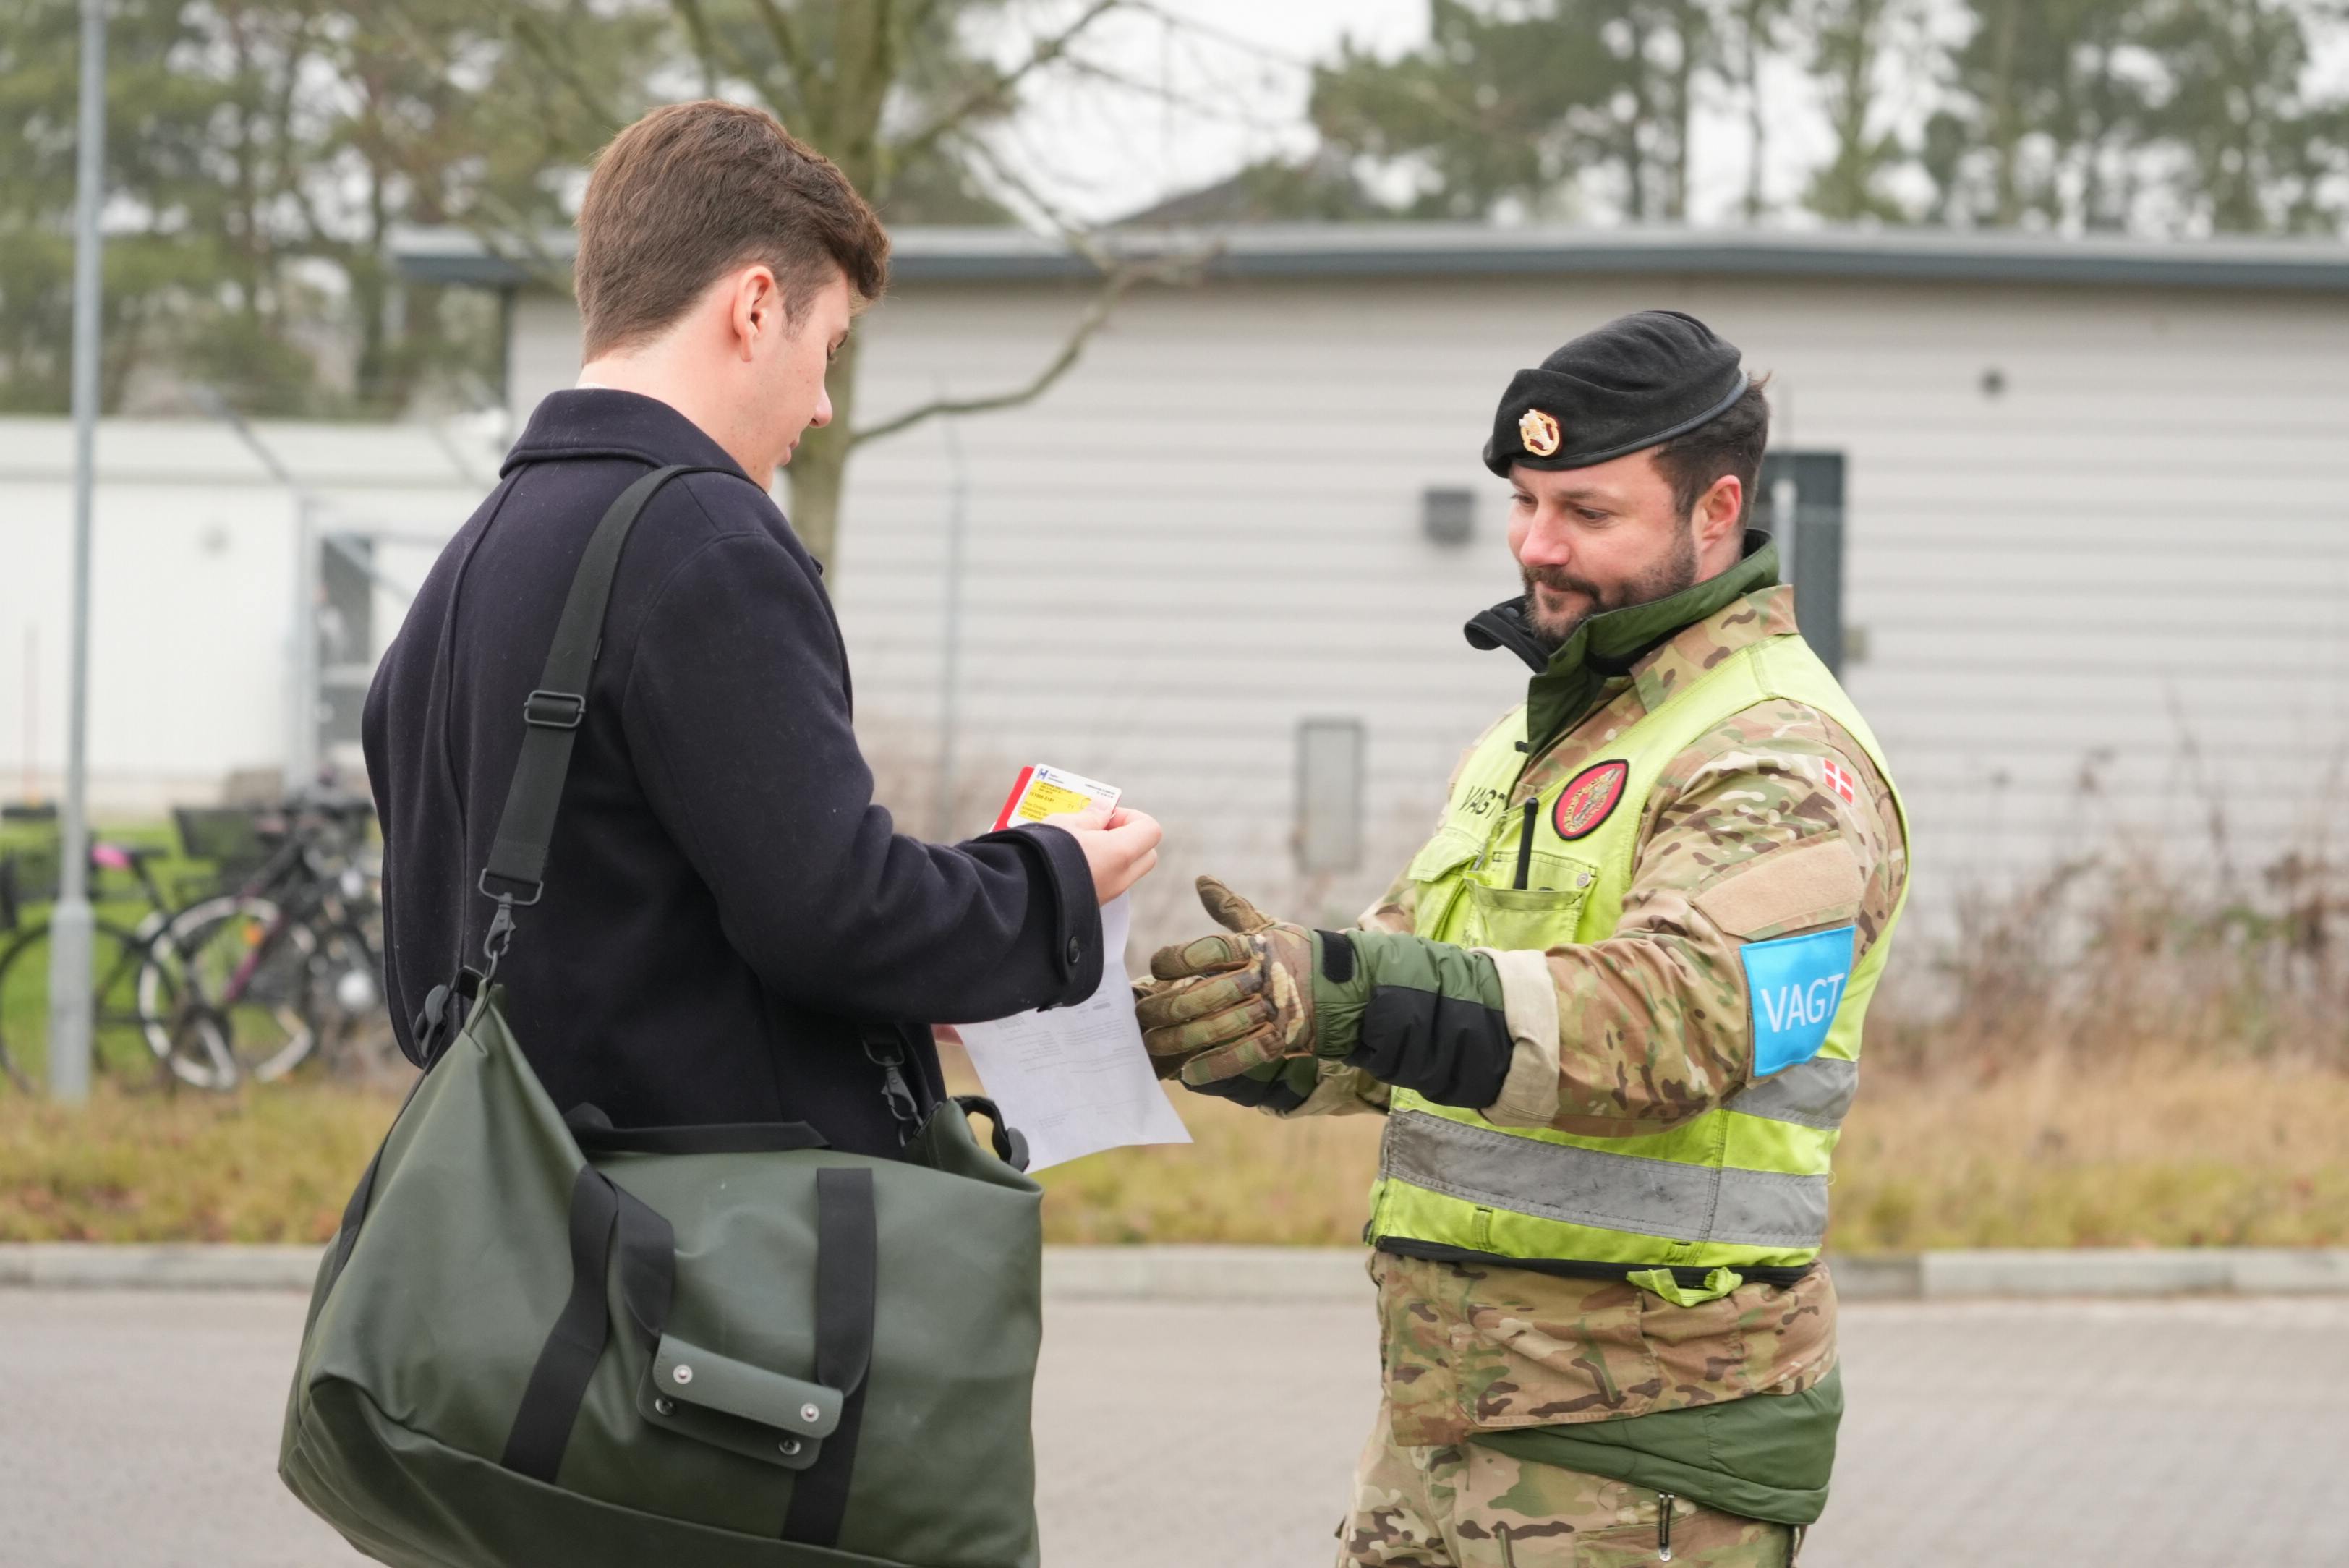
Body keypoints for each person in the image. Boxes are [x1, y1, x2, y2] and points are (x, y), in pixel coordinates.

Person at [1137, 311, 1909, 1565]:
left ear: (1716, 511)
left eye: (1588, 513)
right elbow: (1414, 996)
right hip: (1448, 1438)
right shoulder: (1541, 736)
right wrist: (1255, 1025)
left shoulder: (1776, 757)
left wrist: (1342, 992)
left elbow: (1665, 1025)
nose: (1535, 547)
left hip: (1642, 1468)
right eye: (1524, 500)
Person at [364, 100, 1160, 1154]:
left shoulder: (477, 554)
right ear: (753, 307)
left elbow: (612, 931)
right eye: (826, 346)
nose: (823, 404)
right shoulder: (707, 543)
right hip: (703, 1266)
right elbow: (836, 915)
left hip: (529, 1236)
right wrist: (1054, 880)